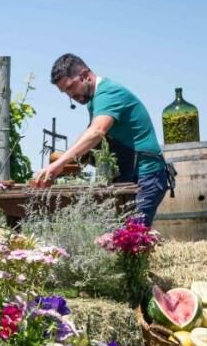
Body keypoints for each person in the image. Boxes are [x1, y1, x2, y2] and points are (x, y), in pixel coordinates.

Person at [35, 53, 171, 225]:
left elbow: (97, 131)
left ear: (84, 75)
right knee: (119, 236)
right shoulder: (94, 100)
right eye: (65, 92)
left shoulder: (109, 93)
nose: (71, 96)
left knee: (134, 239)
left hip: (146, 174)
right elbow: (89, 132)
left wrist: (59, 163)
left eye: (70, 88)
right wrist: (62, 163)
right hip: (130, 174)